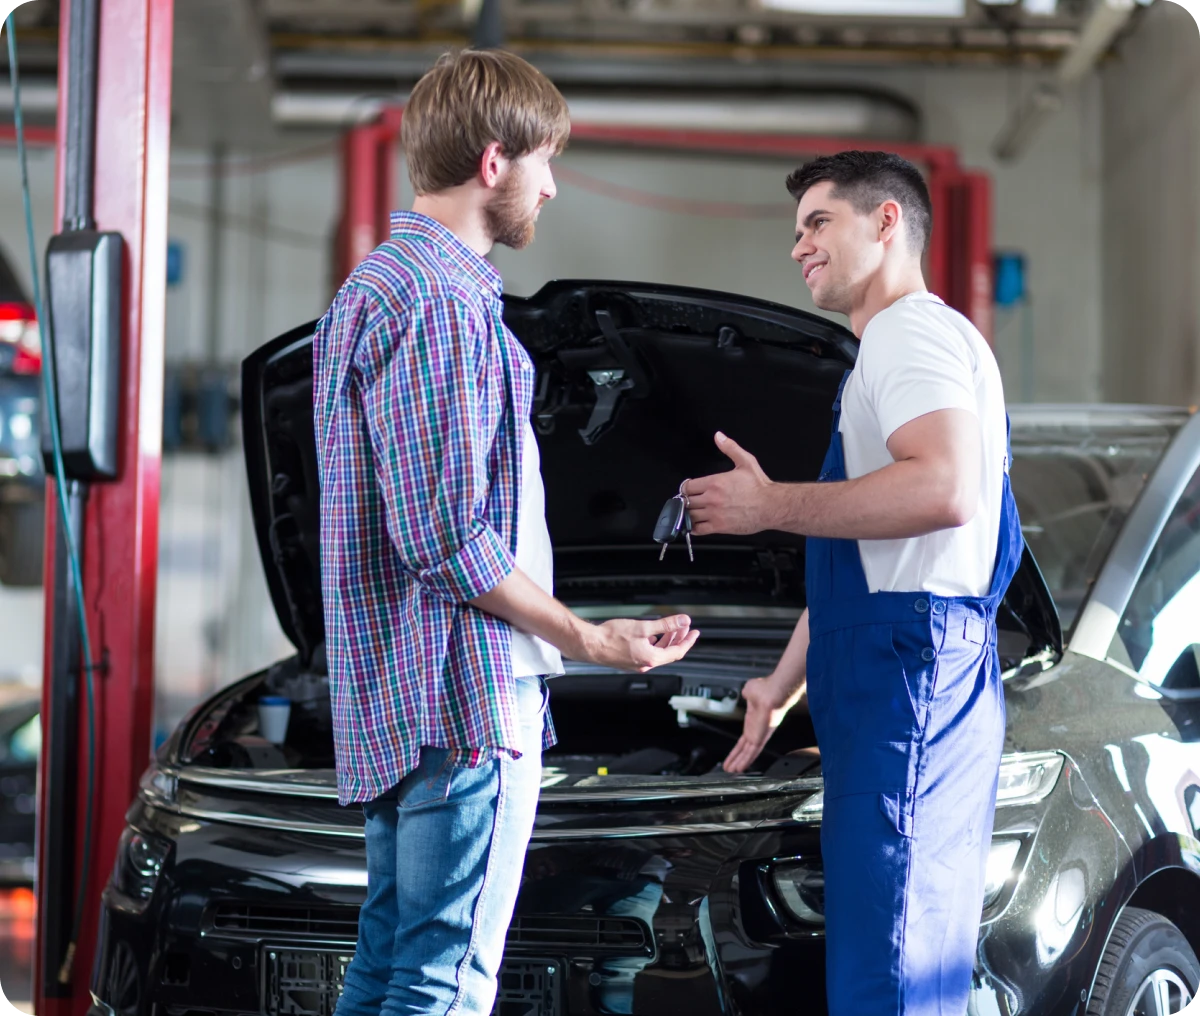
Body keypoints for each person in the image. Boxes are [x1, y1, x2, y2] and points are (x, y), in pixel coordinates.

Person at [313, 49, 699, 1016]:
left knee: (390, 967)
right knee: (444, 983)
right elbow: (444, 535)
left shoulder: (374, 292)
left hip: (401, 698)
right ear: (495, 162)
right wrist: (588, 638)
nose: (554, 184)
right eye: (547, 160)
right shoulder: (441, 306)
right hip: (459, 700)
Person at [687, 150, 1022, 1016]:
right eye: (796, 230)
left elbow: (942, 490)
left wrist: (768, 505)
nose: (799, 246)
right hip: (901, 664)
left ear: (886, 222)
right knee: (899, 952)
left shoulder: (909, 333)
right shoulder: (903, 346)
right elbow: (872, 564)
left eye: (818, 223)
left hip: (907, 674)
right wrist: (779, 684)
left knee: (895, 967)